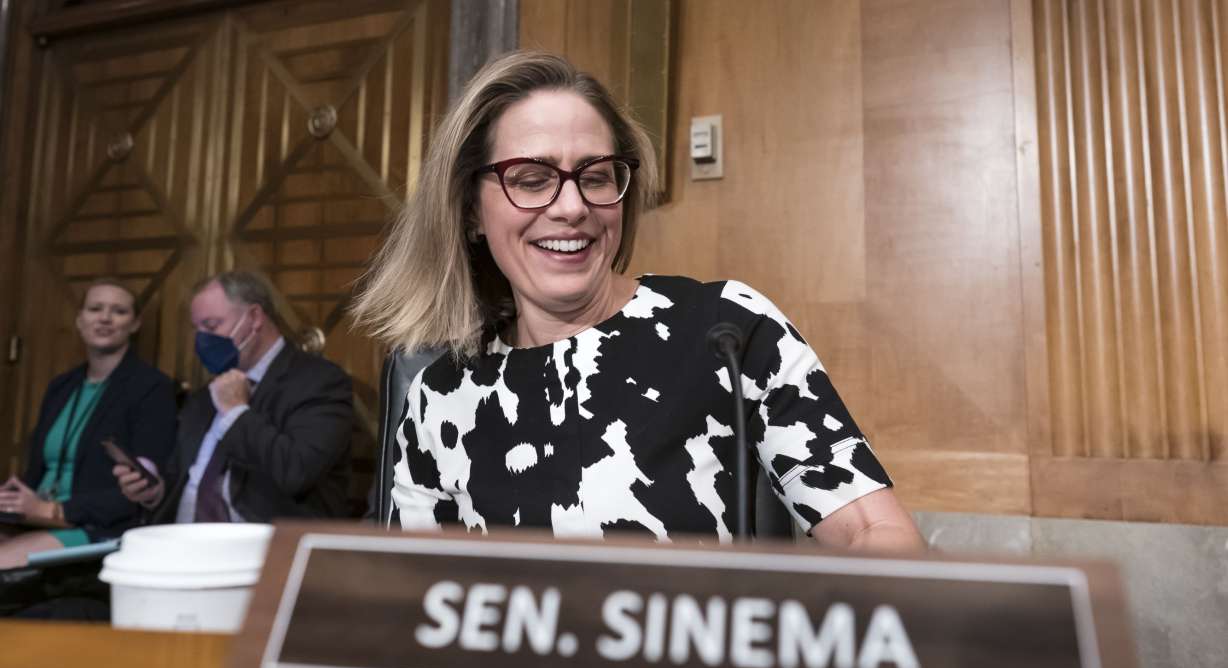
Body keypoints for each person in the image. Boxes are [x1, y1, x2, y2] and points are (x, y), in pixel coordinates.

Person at [350, 51, 924, 551]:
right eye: (530, 179)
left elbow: (875, 532)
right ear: (471, 210)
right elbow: (412, 602)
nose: (572, 206)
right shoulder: (438, 396)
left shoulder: (727, 330)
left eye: (596, 176)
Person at [114, 271, 354, 523]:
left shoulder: (319, 382)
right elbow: (182, 476)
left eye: (211, 325)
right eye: (197, 329)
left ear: (254, 317)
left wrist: (237, 414)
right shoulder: (205, 396)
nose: (202, 339)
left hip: (263, 547)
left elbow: (296, 472)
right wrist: (154, 489)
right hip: (182, 543)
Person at [0, 280, 177, 569]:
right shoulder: (61, 386)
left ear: (135, 324)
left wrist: (54, 509)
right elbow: (36, 472)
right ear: (80, 320)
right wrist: (12, 500)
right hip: (35, 519)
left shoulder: (152, 387)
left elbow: (143, 489)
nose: (105, 318)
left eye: (118, 311)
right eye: (95, 309)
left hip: (96, 526)